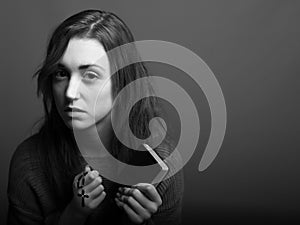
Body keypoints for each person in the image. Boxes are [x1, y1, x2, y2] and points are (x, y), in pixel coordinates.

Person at [7, 9, 184, 225]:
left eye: (90, 75)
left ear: (122, 83)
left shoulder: (162, 162)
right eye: (61, 74)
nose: (70, 92)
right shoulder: (29, 162)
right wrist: (73, 215)